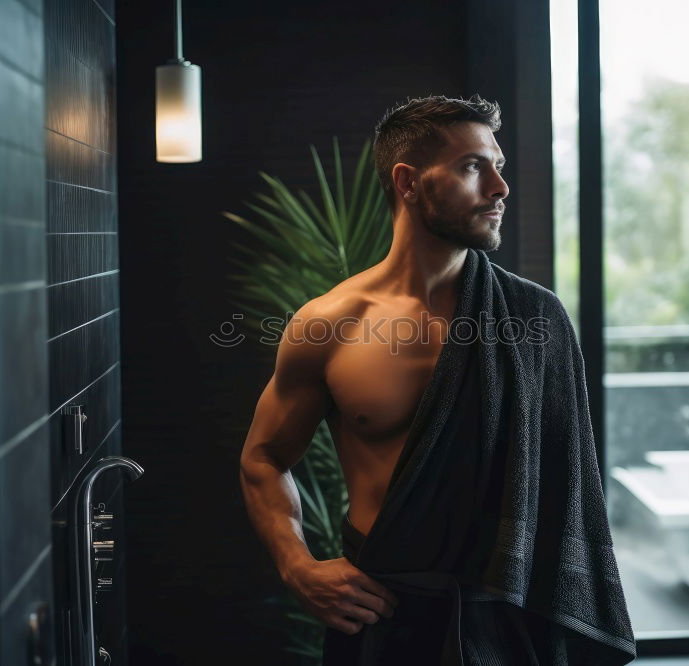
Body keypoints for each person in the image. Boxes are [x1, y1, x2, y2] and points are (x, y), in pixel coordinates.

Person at [239, 94, 634, 665]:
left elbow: (568, 488)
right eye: (475, 166)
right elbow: (263, 457)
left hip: (507, 617)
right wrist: (297, 565)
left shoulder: (534, 320)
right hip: (381, 615)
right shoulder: (329, 324)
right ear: (408, 181)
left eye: (499, 167)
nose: (499, 187)